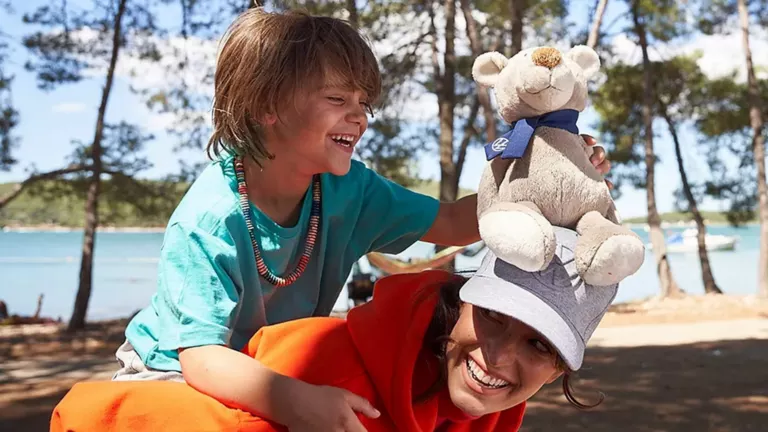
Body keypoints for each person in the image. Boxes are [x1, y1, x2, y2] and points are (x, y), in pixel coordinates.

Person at [109, 6, 613, 431]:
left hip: (272, 362)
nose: (360, 117)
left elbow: (457, 222)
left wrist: (546, 171)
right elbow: (200, 356)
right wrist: (297, 401)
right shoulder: (210, 217)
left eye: (364, 103)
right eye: (337, 100)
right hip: (171, 369)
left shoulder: (349, 189)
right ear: (267, 106)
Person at [51, 227, 617, 432]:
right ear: (461, 300)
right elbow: (91, 415)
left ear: (562, 366)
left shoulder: (485, 405)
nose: (498, 358)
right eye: (492, 316)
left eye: (539, 344)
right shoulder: (333, 388)